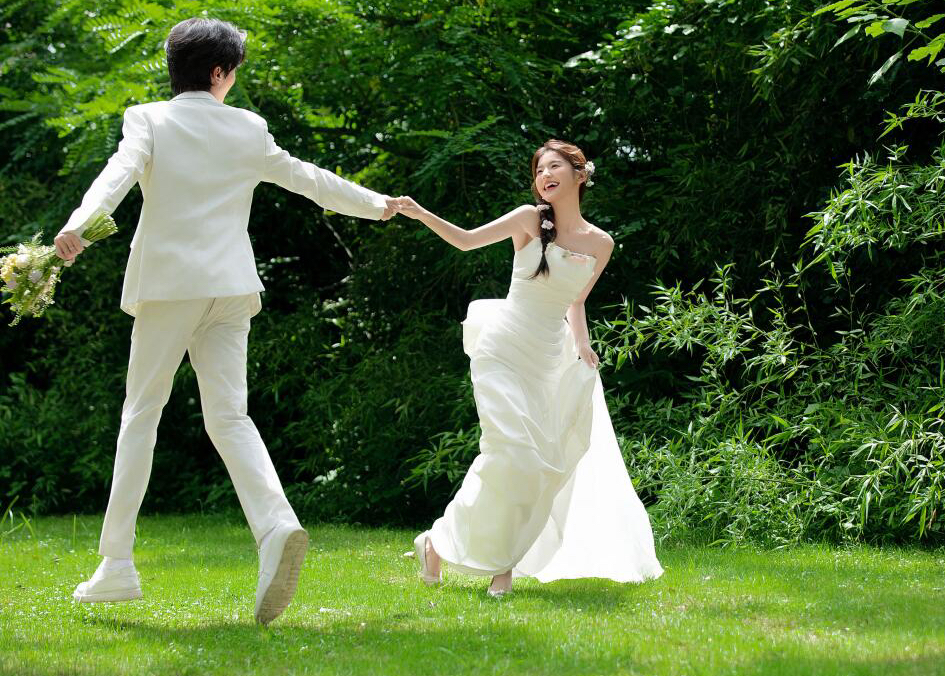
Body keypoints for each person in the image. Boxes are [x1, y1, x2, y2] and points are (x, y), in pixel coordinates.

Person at [54, 17, 395, 624]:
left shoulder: (148, 118)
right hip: (232, 288)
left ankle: (117, 566)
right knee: (231, 417)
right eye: (233, 70)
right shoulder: (248, 128)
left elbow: (119, 173)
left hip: (169, 288)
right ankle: (275, 526)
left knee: (141, 415)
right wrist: (378, 205)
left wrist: (79, 225)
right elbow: (309, 180)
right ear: (219, 72)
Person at [394, 140, 663, 597]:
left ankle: (452, 548)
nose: (544, 176)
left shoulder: (601, 243)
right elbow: (466, 240)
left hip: (548, 359)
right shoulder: (528, 219)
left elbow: (576, 300)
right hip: (502, 348)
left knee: (537, 467)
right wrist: (420, 213)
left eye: (554, 166)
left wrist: (583, 342)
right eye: (539, 170)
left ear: (580, 174)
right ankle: (481, 558)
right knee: (512, 453)